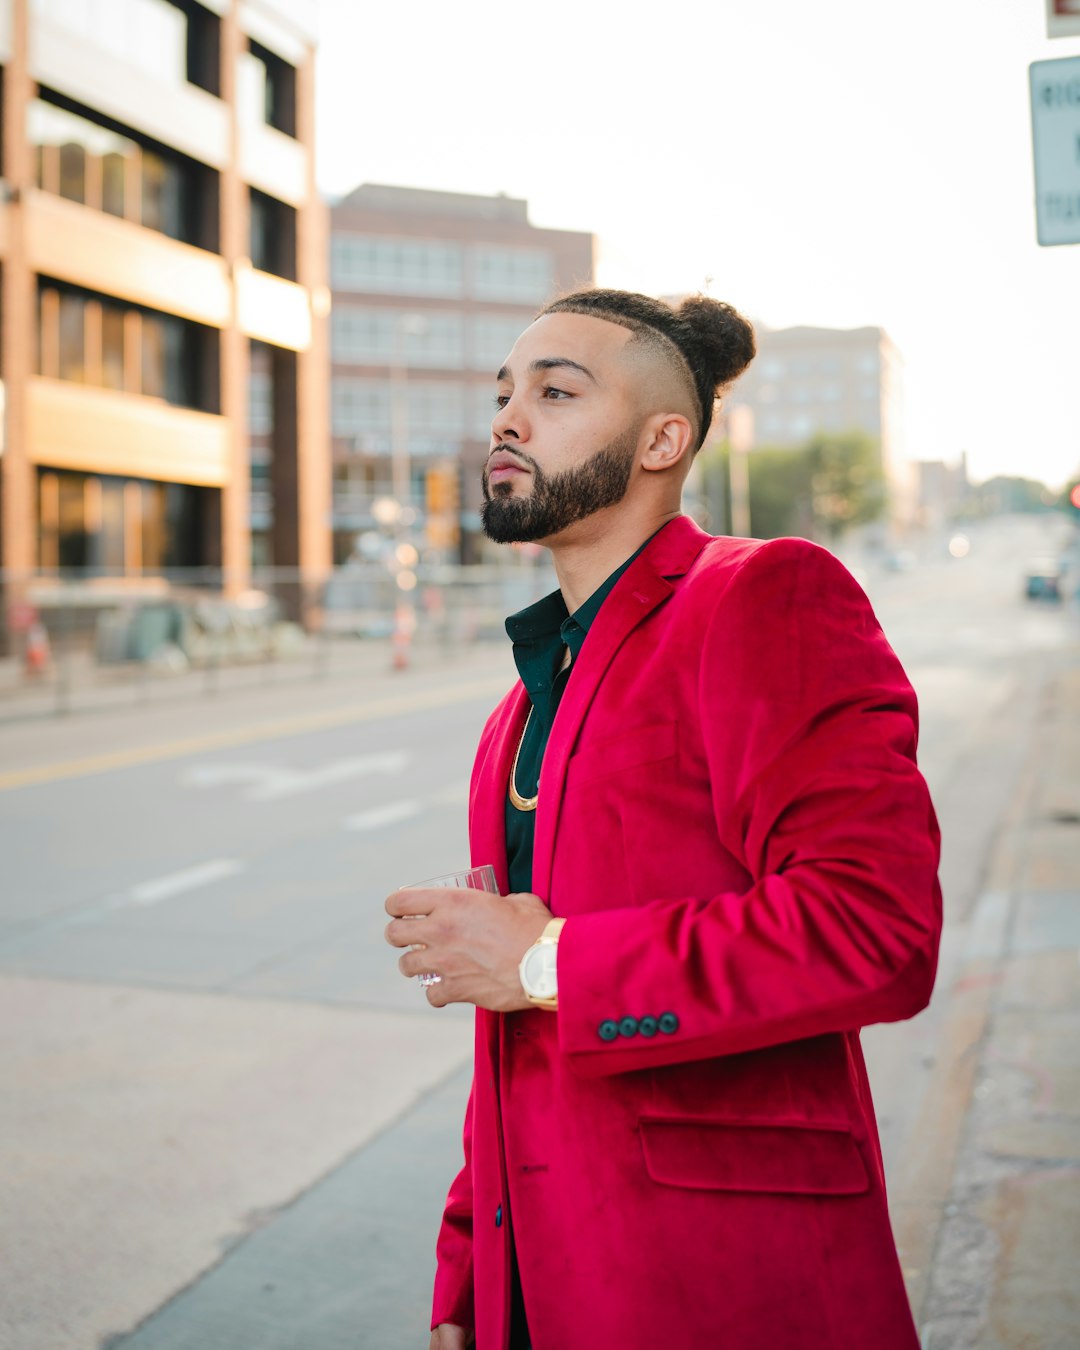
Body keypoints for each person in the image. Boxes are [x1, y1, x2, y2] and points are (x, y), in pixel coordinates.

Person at [385, 288, 942, 1350]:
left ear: (663, 438)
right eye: (504, 393)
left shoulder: (767, 596)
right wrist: (467, 1275)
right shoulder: (518, 709)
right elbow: (514, 1036)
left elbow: (877, 928)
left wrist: (551, 960)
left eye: (555, 391)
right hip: (533, 1288)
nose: (507, 420)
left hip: (725, 1283)